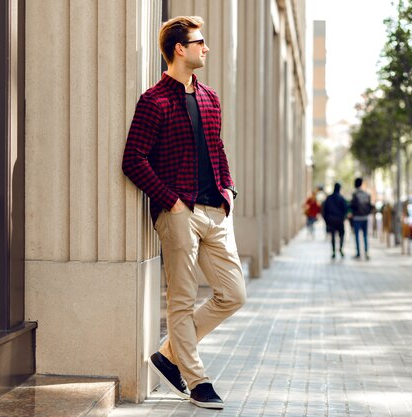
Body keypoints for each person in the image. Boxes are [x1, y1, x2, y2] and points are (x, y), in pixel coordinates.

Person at [122, 16, 245, 410]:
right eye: (200, 42)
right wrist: (169, 200)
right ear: (180, 48)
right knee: (182, 298)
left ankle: (168, 353)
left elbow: (218, 148)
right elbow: (133, 159)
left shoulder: (210, 97)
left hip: (216, 210)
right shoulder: (153, 100)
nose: (205, 48)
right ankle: (197, 381)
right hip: (179, 211)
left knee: (233, 294)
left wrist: (228, 189)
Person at [321, 182, 348, 259]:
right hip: (339, 220)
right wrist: (343, 218)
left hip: (331, 220)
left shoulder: (329, 198)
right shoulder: (341, 198)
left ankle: (333, 251)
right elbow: (345, 209)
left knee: (332, 236)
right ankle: (340, 248)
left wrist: (326, 220)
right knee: (341, 235)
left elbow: (324, 210)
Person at [350, 177, 372, 260]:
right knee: (365, 235)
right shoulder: (366, 194)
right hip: (365, 218)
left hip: (356, 218)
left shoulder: (355, 194)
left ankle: (358, 253)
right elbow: (369, 206)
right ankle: (366, 252)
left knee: (357, 236)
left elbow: (352, 206)